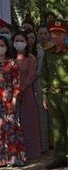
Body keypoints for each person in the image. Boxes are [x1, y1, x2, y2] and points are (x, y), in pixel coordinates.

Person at [40, 20, 68, 170]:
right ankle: (59, 157)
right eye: (53, 33)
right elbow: (44, 76)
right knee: (57, 127)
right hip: (54, 95)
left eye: (59, 33)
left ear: (65, 35)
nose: (55, 36)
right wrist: (45, 95)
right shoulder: (48, 54)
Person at [12, 31, 41, 161]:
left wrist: (20, 89)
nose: (19, 43)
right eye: (16, 40)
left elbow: (32, 75)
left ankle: (31, 151)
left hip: (26, 93)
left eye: (21, 40)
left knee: (28, 122)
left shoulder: (31, 58)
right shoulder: (10, 58)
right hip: (10, 94)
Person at [0, 36, 26, 167]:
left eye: (2, 45)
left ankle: (14, 158)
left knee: (11, 128)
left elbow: (16, 83)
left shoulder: (12, 63)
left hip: (9, 99)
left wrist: (15, 99)